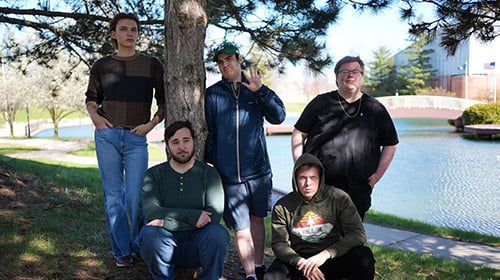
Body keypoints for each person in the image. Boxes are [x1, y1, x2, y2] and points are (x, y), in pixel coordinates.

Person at [84, 12, 165, 267]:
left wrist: (151, 124)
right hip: (106, 135)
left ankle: (137, 243)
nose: (130, 33)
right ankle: (121, 252)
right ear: (114, 34)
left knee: (135, 197)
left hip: (136, 138)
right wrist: (95, 118)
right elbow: (90, 98)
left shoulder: (152, 65)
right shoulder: (100, 65)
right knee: (114, 197)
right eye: (124, 29)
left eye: (134, 29)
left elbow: (164, 102)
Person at [205, 41, 286, 280]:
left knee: (257, 219)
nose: (224, 64)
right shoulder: (213, 94)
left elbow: (279, 117)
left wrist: (261, 91)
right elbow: (210, 133)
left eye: (228, 59)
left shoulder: (256, 88)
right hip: (229, 175)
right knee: (240, 227)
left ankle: (259, 267)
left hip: (259, 172)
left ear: (240, 59)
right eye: (220, 62)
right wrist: (214, 162)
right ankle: (250, 274)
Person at [291, 55, 398, 220]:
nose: (350, 75)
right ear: (337, 77)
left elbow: (391, 144)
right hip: (321, 187)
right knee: (317, 237)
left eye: (355, 71)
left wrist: (378, 175)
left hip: (358, 189)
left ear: (361, 76)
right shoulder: (321, 103)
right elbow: (299, 133)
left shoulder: (375, 109)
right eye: (345, 71)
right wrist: (302, 167)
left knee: (351, 240)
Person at [138, 120, 230, 280]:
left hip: (199, 244)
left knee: (218, 234)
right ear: (167, 146)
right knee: (149, 234)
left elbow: (214, 215)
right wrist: (194, 217)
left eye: (186, 140)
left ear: (194, 141)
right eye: (175, 142)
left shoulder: (209, 174)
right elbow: (152, 212)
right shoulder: (153, 175)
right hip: (165, 244)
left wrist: (165, 220)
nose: (181, 147)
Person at [265, 153, 375, 280]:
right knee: (271, 276)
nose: (308, 183)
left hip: (331, 256)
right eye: (302, 178)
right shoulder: (282, 206)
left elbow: (358, 234)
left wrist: (326, 254)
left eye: (313, 177)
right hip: (301, 260)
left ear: (320, 178)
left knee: (364, 256)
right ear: (295, 179)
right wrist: (300, 263)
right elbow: (279, 243)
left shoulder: (338, 198)